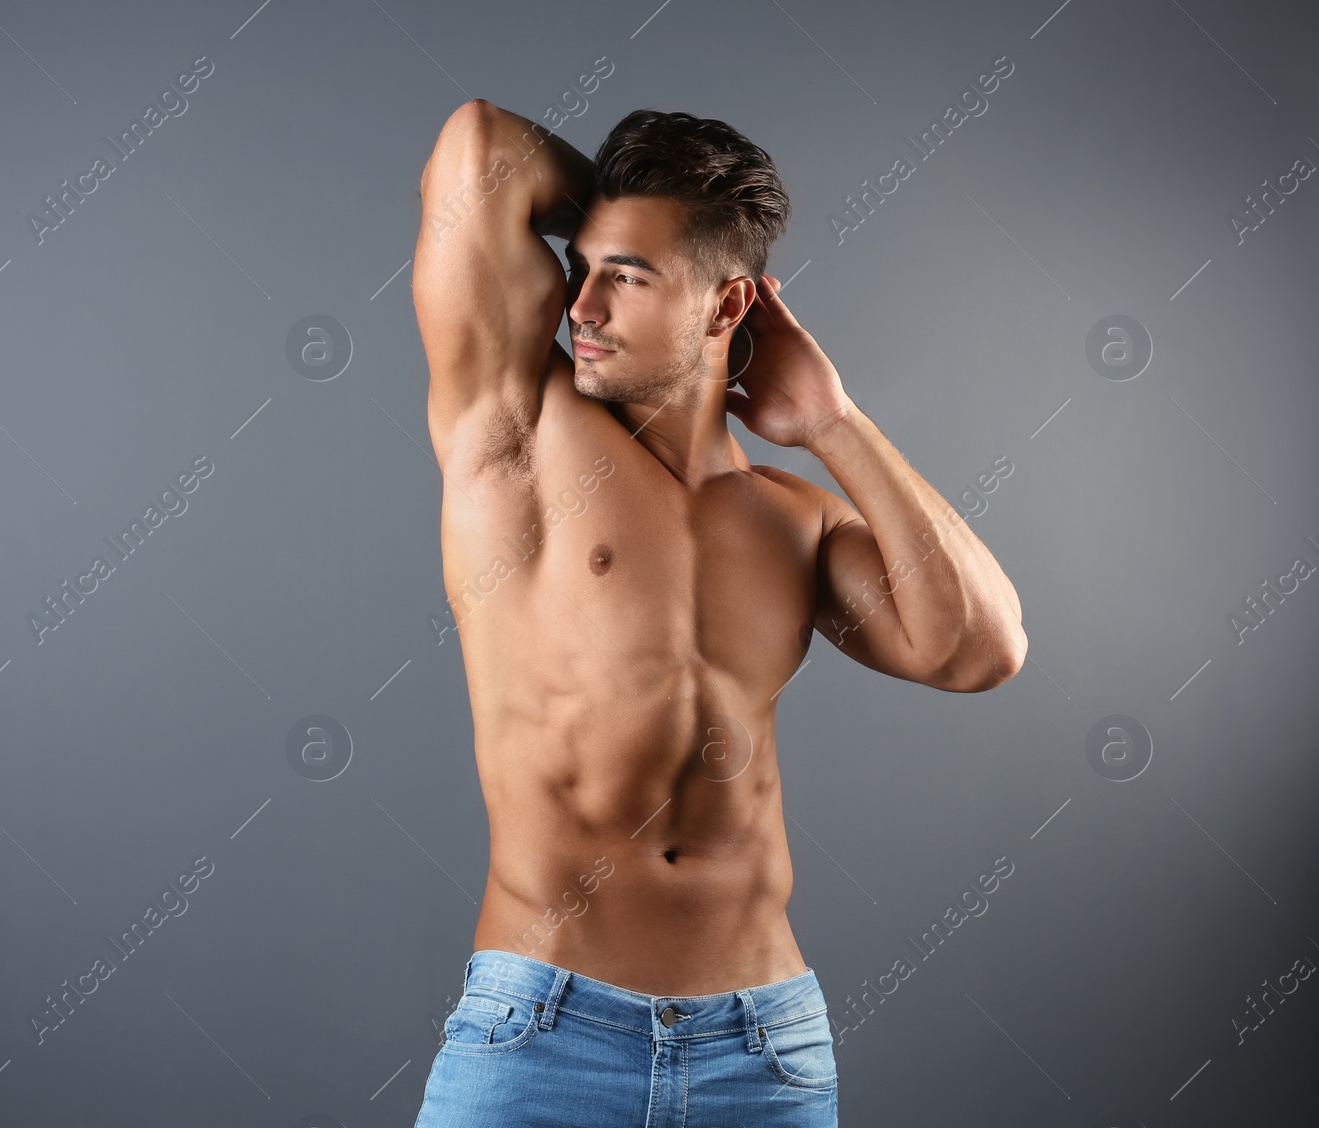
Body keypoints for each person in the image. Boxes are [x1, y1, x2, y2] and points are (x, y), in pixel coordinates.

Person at [410, 99, 1027, 1127]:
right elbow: (478, 144)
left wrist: (832, 421)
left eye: (629, 275)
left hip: (762, 1048)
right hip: (544, 1036)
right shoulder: (517, 431)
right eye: (584, 263)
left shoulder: (796, 521)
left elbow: (980, 648)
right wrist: (622, 210)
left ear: (727, 303)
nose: (582, 304)